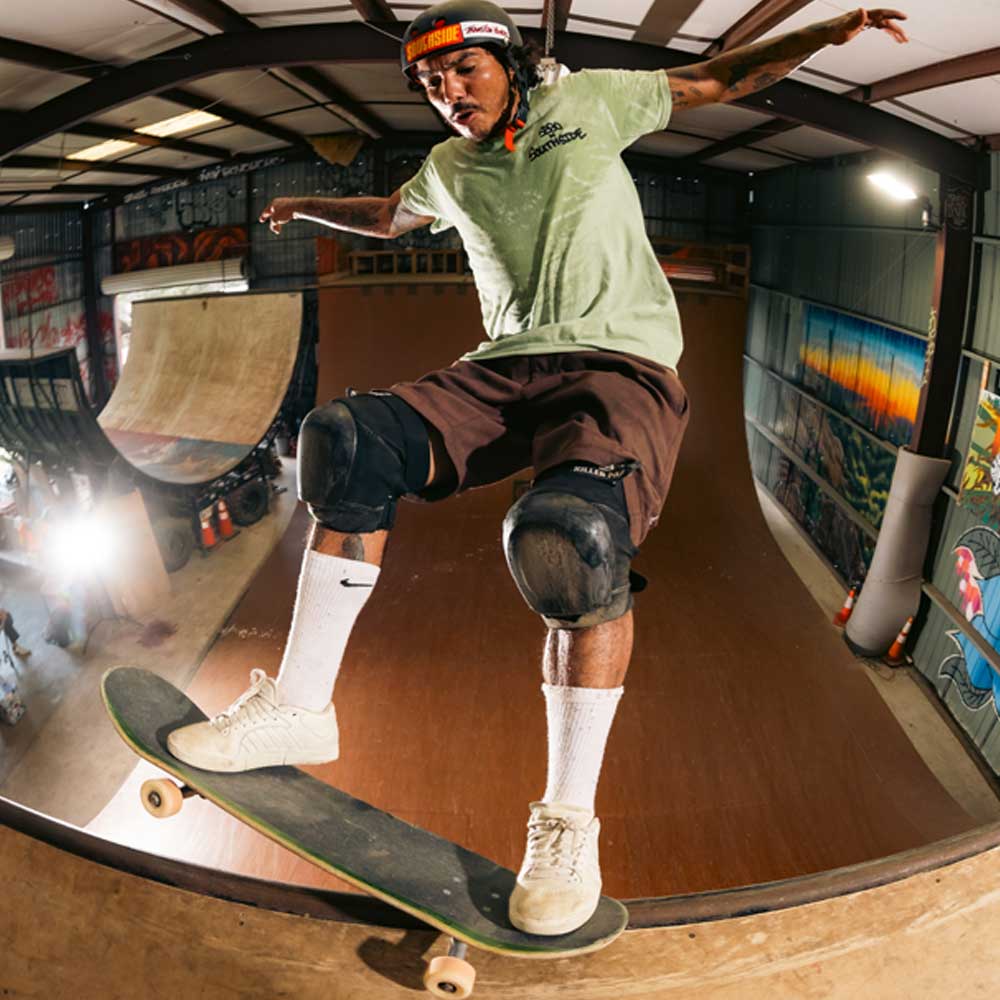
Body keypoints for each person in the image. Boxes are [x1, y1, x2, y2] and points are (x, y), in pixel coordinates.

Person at [167, 2, 908, 935]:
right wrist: (300, 203)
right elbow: (391, 219)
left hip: (620, 366)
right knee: (345, 443)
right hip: (502, 369)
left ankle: (565, 822)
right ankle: (303, 707)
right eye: (432, 88)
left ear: (508, 66)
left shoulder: (594, 102)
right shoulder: (448, 167)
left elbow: (718, 79)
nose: (449, 99)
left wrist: (821, 34)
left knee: (571, 543)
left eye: (464, 76)